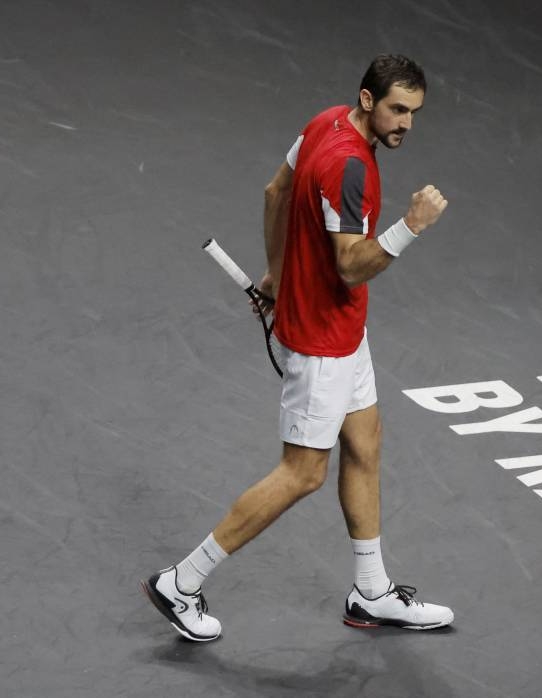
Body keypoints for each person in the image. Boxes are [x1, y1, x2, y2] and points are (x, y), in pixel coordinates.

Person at [141, 54, 452, 641]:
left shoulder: (323, 122)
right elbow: (352, 266)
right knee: (303, 473)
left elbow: (275, 189)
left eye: (414, 112)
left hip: (341, 330)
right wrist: (411, 225)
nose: (406, 123)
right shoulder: (349, 167)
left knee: (364, 441)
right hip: (321, 346)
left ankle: (371, 592)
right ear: (367, 100)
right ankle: (180, 582)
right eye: (396, 109)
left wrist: (278, 275)